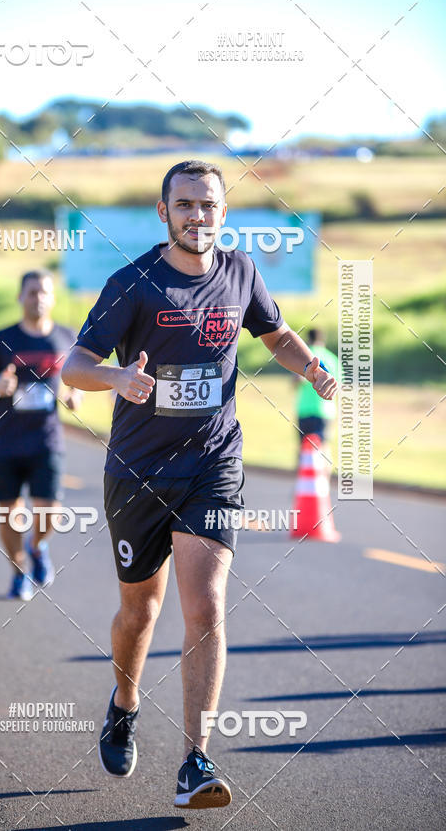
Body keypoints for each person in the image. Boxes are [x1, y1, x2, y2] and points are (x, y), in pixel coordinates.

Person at [62, 159, 337, 809]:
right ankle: (124, 703)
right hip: (138, 471)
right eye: (185, 204)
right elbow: (74, 366)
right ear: (164, 213)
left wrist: (310, 368)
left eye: (208, 204)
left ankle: (195, 760)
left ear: (222, 211)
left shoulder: (240, 271)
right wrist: (117, 379)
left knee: (206, 607)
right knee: (140, 612)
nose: (197, 215)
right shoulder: (133, 283)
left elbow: (277, 335)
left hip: (212, 465)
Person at [0, 270, 81, 600]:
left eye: (44, 292)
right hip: (6, 441)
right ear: (20, 297)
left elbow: (78, 378)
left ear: (53, 298)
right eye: (32, 292)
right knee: (8, 513)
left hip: (46, 439)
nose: (38, 298)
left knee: (50, 512)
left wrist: (74, 396)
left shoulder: (67, 337)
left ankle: (37, 546)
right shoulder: (2, 339)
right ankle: (19, 572)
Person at [295, 328, 339, 472]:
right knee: (324, 447)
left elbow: (297, 380)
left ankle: (303, 480)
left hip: (305, 409)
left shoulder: (305, 356)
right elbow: (339, 385)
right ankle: (324, 481)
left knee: (303, 448)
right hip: (326, 411)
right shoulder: (332, 358)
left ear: (308, 339)